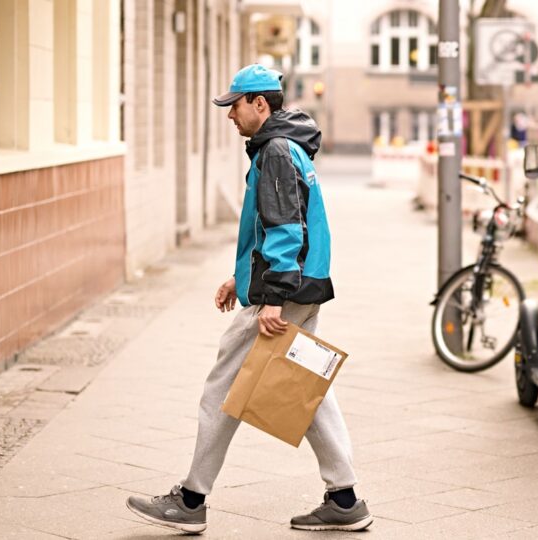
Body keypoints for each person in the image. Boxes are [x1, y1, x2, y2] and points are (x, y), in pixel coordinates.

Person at [125, 64, 372, 534]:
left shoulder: (276, 150)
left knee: (222, 388)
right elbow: (277, 227)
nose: (229, 115)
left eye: (234, 105)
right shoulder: (287, 146)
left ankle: (191, 500)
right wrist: (239, 279)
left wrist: (271, 298)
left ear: (260, 103)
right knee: (303, 384)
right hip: (302, 284)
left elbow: (286, 228)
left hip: (285, 291)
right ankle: (344, 498)